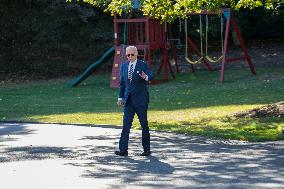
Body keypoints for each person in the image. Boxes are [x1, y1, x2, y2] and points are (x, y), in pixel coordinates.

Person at [115, 46, 153, 156]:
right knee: (126, 125)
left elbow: (151, 76)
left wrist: (146, 77)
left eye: (132, 54)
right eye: (128, 55)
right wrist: (120, 98)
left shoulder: (142, 65)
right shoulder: (124, 66)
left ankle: (146, 150)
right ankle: (123, 150)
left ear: (136, 54)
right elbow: (122, 84)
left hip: (141, 100)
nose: (130, 57)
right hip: (128, 101)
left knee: (144, 125)